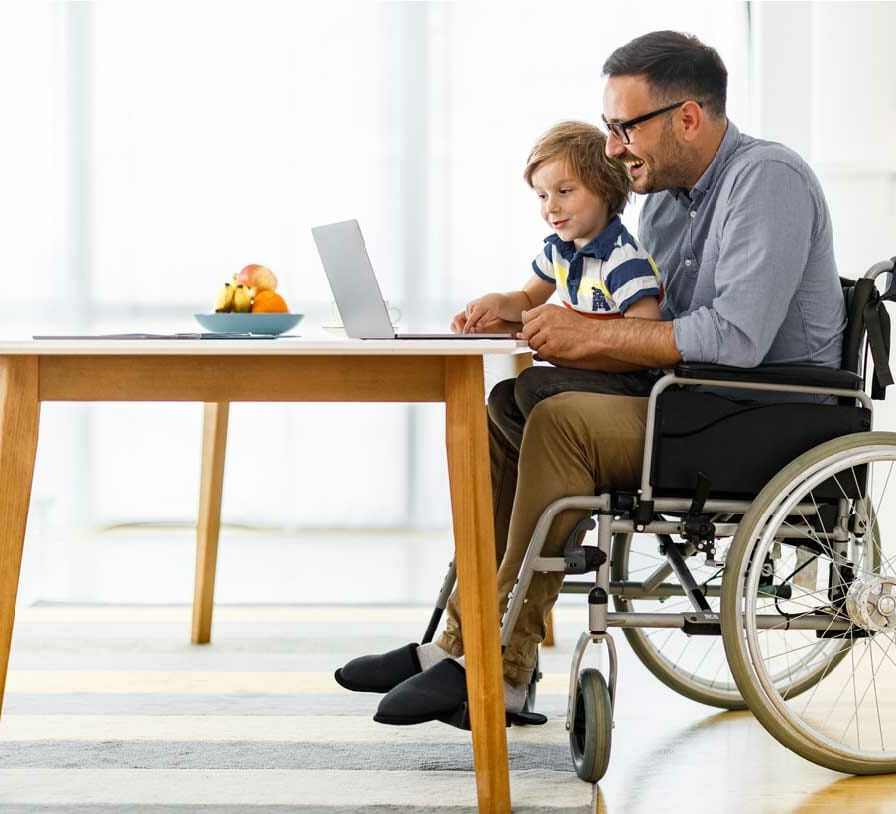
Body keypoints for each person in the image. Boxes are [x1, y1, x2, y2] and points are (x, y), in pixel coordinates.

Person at [335, 29, 847, 727]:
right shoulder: (666, 200)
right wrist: (540, 319)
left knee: (562, 423)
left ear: (687, 118)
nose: (611, 148)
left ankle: (503, 663)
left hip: (752, 415)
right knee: (504, 405)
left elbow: (735, 338)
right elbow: (632, 314)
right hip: (686, 402)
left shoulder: (768, 181)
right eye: (607, 127)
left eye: (623, 127)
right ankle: (456, 642)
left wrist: (592, 335)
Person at [450, 120, 665, 445]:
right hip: (591, 373)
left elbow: (646, 341)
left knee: (533, 385)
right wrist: (495, 306)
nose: (550, 207)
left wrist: (576, 355)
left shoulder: (622, 258)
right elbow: (527, 298)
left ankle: (574, 465)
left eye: (564, 192)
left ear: (606, 189)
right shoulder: (559, 251)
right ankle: (554, 466)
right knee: (501, 400)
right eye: (541, 196)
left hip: (632, 381)